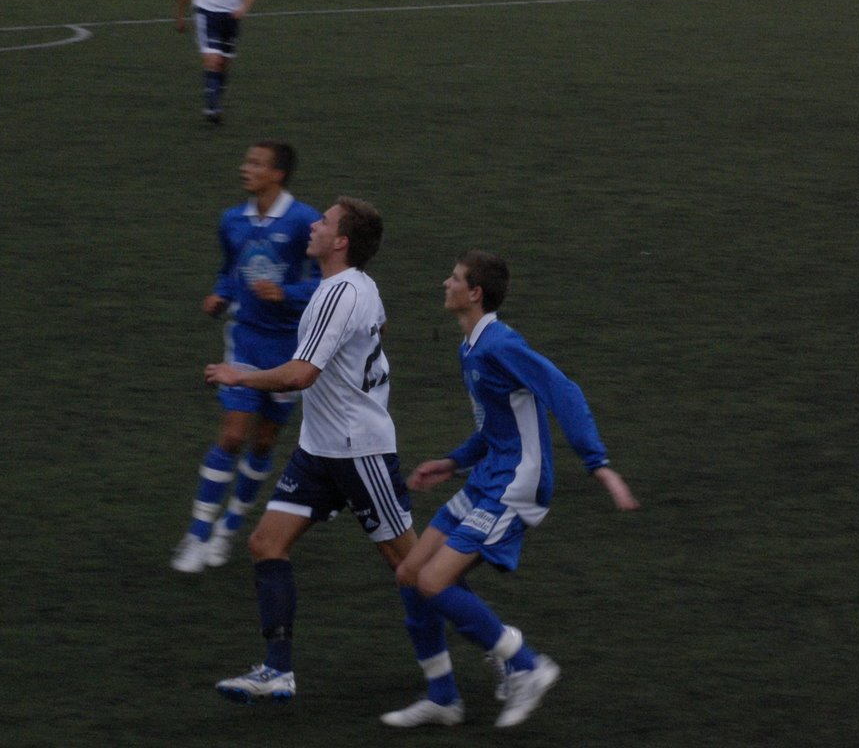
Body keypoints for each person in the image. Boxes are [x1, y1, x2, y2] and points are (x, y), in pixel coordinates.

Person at [381, 249, 639, 730]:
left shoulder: (500, 344)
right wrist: (452, 462)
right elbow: (495, 429)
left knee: (434, 582)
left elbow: (564, 391)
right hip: (487, 477)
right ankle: (443, 698)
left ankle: (527, 665)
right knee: (410, 574)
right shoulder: (470, 348)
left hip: (517, 484)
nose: (445, 283)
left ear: (474, 293)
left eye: (454, 278)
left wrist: (598, 464)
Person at [206, 197, 418, 704]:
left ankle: (508, 652)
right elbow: (379, 327)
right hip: (319, 448)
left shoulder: (337, 294)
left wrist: (240, 376)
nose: (314, 226)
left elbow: (301, 374)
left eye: (324, 221)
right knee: (266, 543)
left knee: (414, 568)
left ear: (340, 241)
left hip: (358, 450)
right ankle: (277, 671)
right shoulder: (359, 287)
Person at [172, 141, 322, 573]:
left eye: (256, 164)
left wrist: (286, 293)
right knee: (233, 436)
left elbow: (331, 281)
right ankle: (198, 533)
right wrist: (220, 293)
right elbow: (230, 269)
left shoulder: (304, 221)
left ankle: (230, 526)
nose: (246, 169)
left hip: (291, 347)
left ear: (278, 174)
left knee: (264, 442)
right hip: (246, 339)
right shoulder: (231, 220)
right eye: (247, 162)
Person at [177, 0, 258, 125]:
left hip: (231, 17)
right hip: (206, 14)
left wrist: (243, 8)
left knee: (224, 64)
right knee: (213, 60)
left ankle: (214, 101)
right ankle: (213, 108)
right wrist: (180, 17)